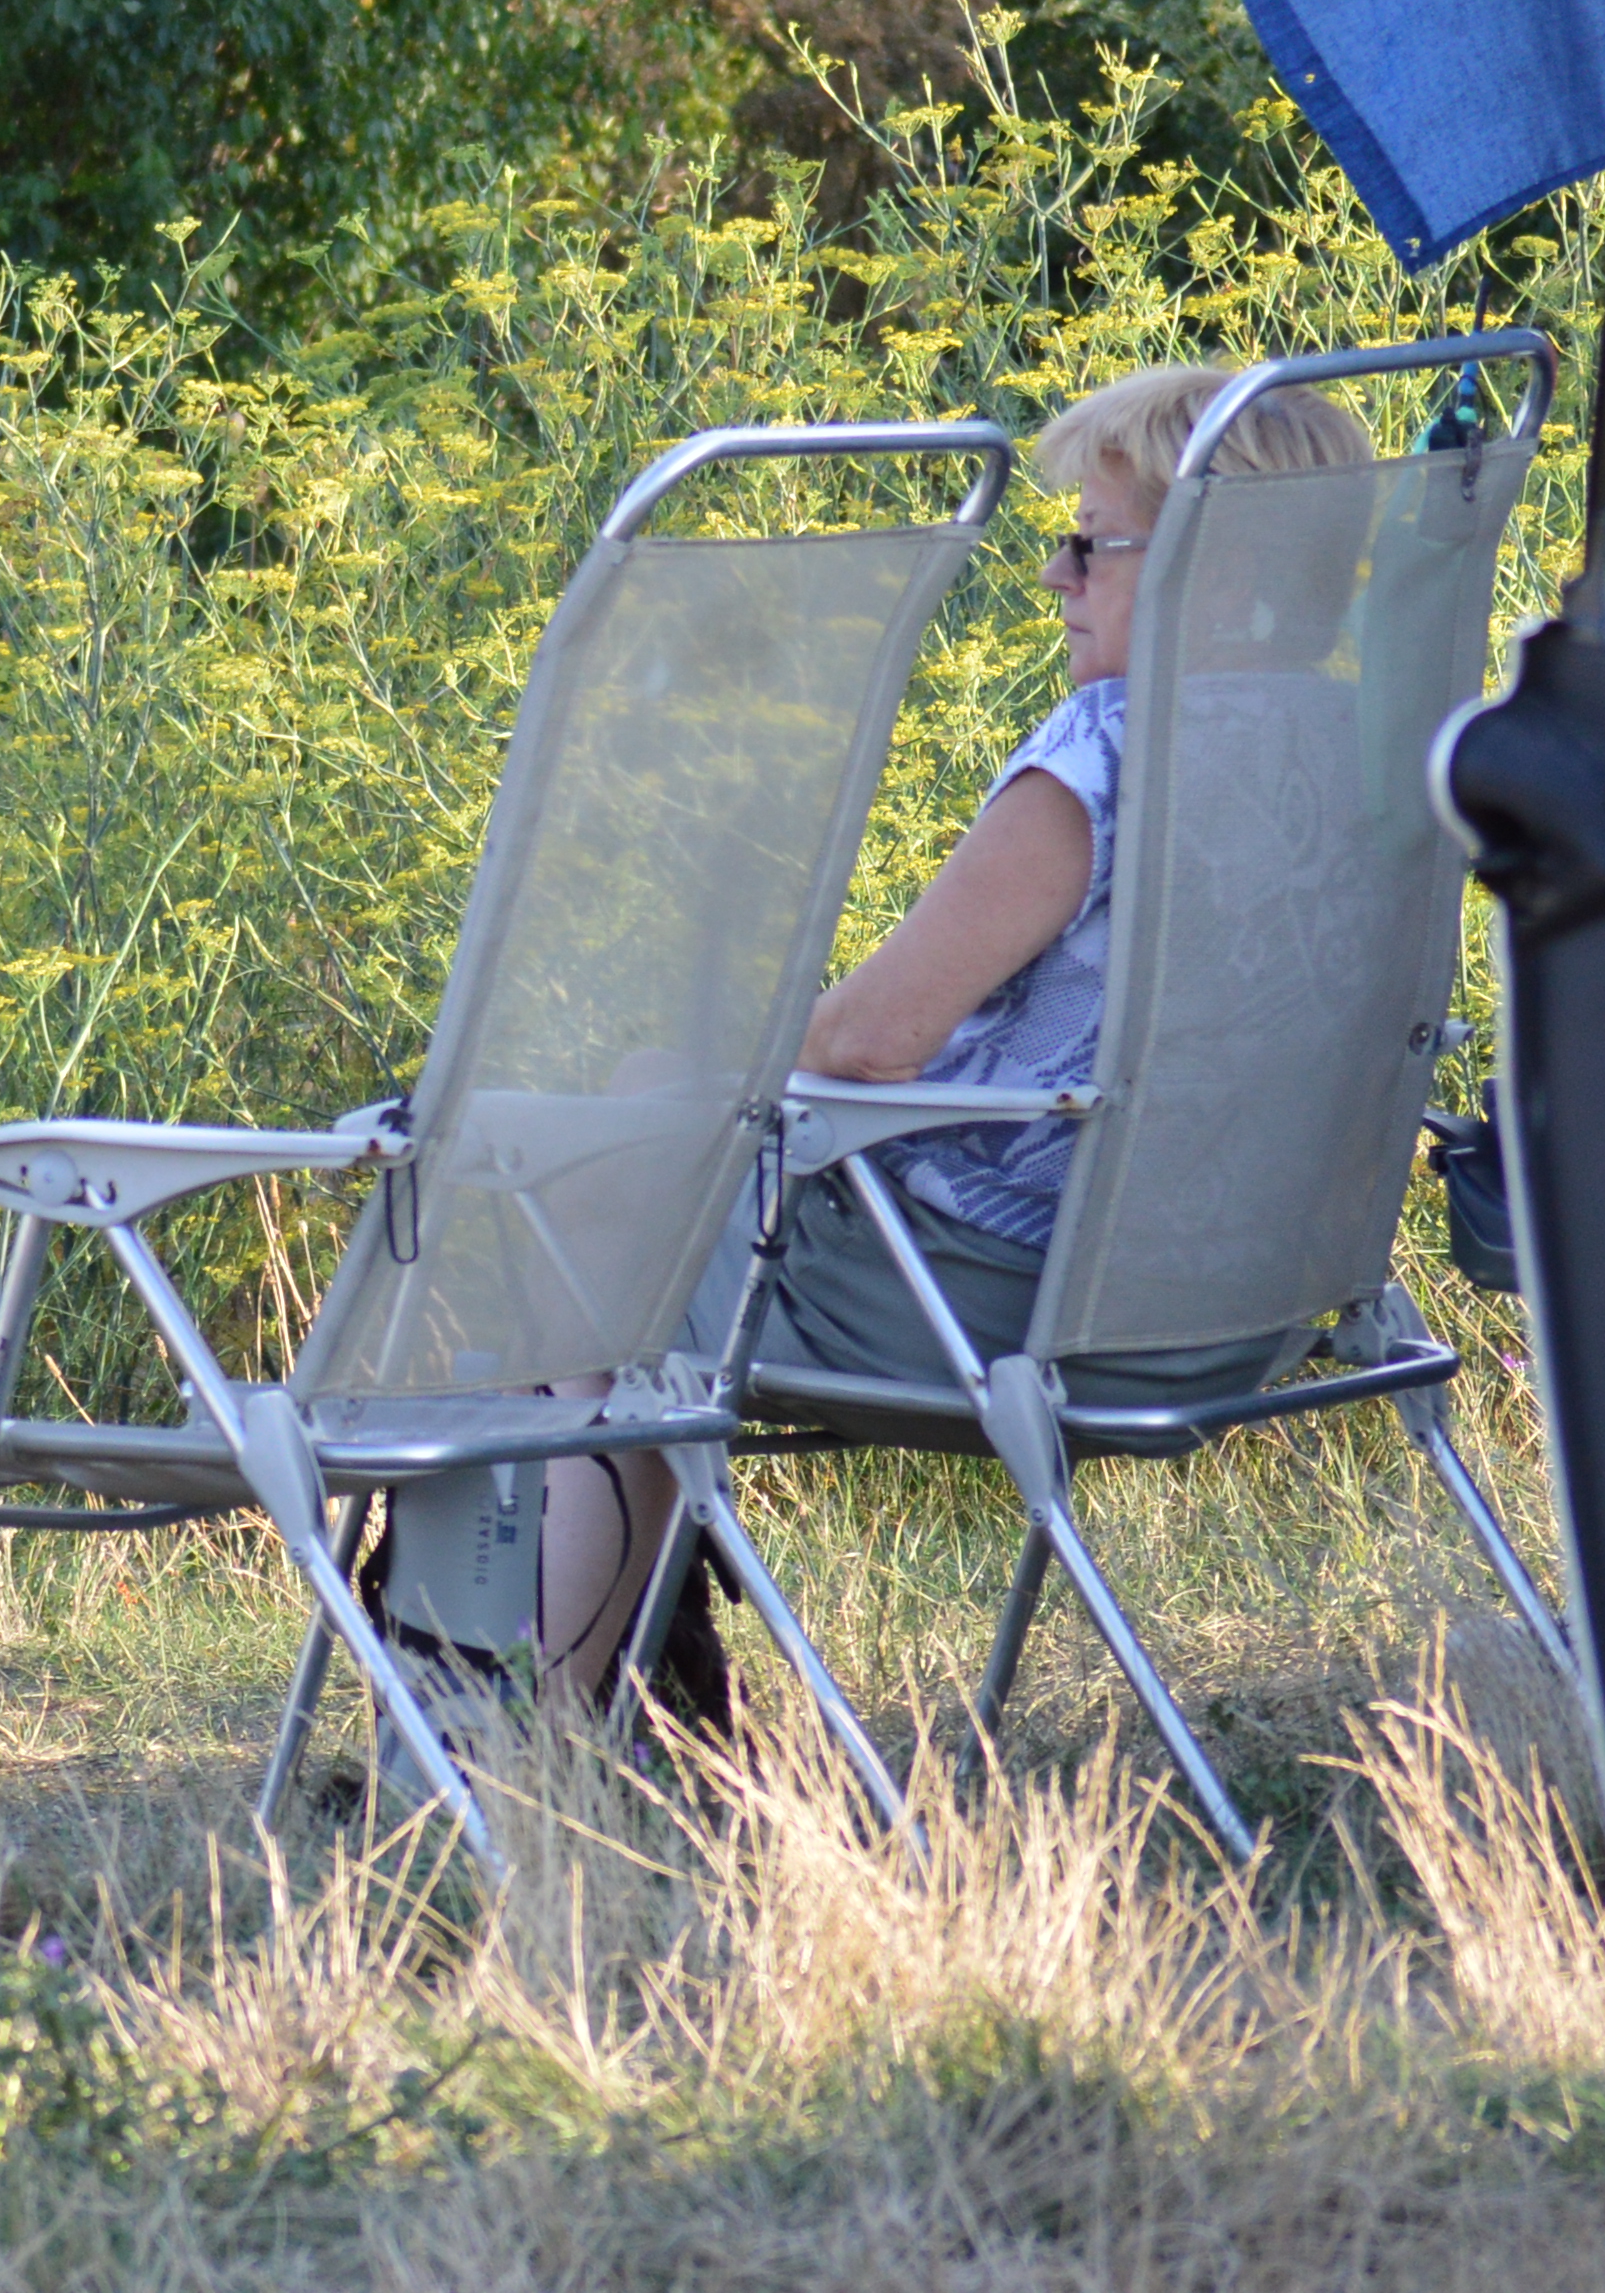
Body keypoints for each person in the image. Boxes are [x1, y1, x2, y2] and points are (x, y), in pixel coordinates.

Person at [517, 359, 1377, 1704]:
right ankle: (620, 1671)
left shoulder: (1110, 752)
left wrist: (680, 1093)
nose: (1057, 579)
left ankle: (529, 1718)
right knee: (643, 1115)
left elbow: (868, 1047)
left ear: (1214, 567)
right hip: (1234, 1310)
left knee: (569, 1198)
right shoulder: (1378, 750)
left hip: (994, 1300)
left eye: (1089, 548)